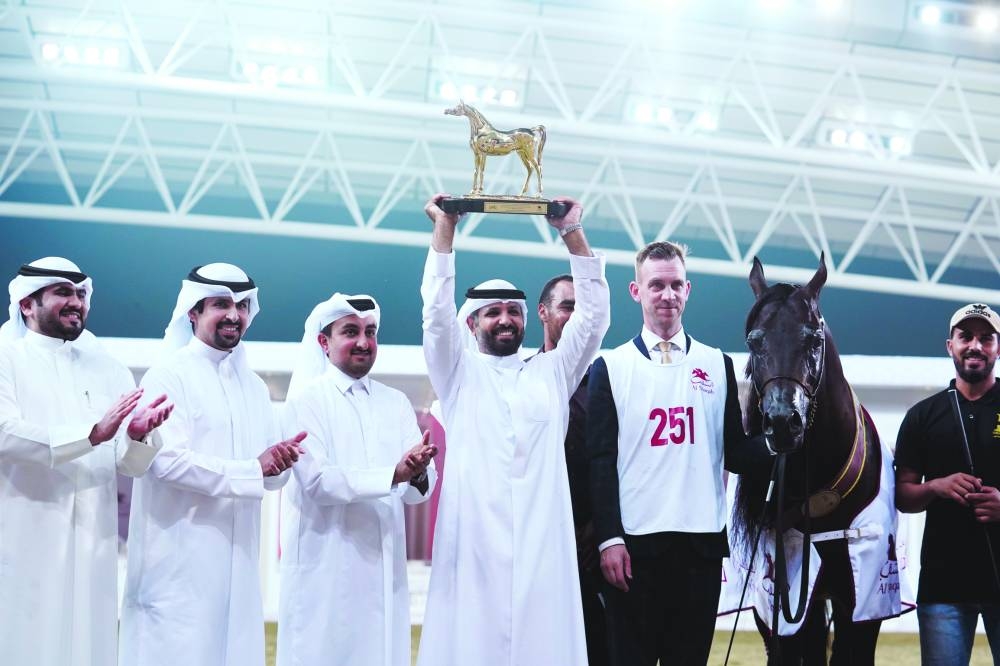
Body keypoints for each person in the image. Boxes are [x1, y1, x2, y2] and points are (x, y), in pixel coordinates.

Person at [417, 194, 610, 666]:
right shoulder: (457, 373)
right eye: (493, 312)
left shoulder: (552, 372)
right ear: (473, 323)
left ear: (527, 319)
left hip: (543, 546)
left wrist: (571, 231)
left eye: (514, 311)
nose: (505, 319)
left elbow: (593, 319)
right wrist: (445, 229)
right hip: (473, 546)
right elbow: (436, 316)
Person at [587, 240, 768, 666]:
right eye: (656, 285)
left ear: (688, 290)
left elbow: (735, 453)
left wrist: (780, 444)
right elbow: (600, 463)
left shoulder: (717, 363)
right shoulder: (610, 367)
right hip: (634, 549)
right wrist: (609, 539)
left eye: (675, 285)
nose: (667, 295)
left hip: (699, 549)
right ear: (636, 291)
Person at [119, 263, 306, 666]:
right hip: (178, 569)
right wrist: (254, 469)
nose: (234, 315)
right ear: (193, 311)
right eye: (221, 304)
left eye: (242, 306)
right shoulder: (168, 376)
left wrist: (280, 464)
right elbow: (165, 463)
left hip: (239, 569)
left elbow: (268, 477)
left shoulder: (254, 387)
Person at [0, 257, 172, 666]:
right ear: (27, 304)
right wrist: (92, 434)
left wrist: (138, 435)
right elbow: (5, 432)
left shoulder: (110, 370)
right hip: (26, 533)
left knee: (89, 645)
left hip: (94, 538)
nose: (76, 302)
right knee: (25, 640)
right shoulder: (6, 358)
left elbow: (129, 466)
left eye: (81, 294)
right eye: (62, 293)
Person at [277, 293, 438, 666]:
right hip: (327, 568)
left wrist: (417, 473)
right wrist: (395, 474)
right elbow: (318, 482)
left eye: (370, 332)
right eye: (351, 332)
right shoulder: (306, 402)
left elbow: (417, 491)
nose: (364, 342)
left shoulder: (395, 402)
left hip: (384, 569)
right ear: (324, 341)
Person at [895, 303, 1000, 665]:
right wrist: (935, 487)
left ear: (998, 348)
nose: (975, 345)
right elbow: (903, 495)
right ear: (950, 345)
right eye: (965, 336)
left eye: (986, 338)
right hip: (943, 584)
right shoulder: (922, 416)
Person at [532, 273, 608, 666]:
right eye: (567, 307)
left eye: (582, 309)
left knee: (599, 649)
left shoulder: (609, 382)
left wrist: (600, 531)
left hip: (596, 551)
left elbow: (619, 463)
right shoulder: (521, 378)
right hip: (538, 545)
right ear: (543, 313)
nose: (576, 316)